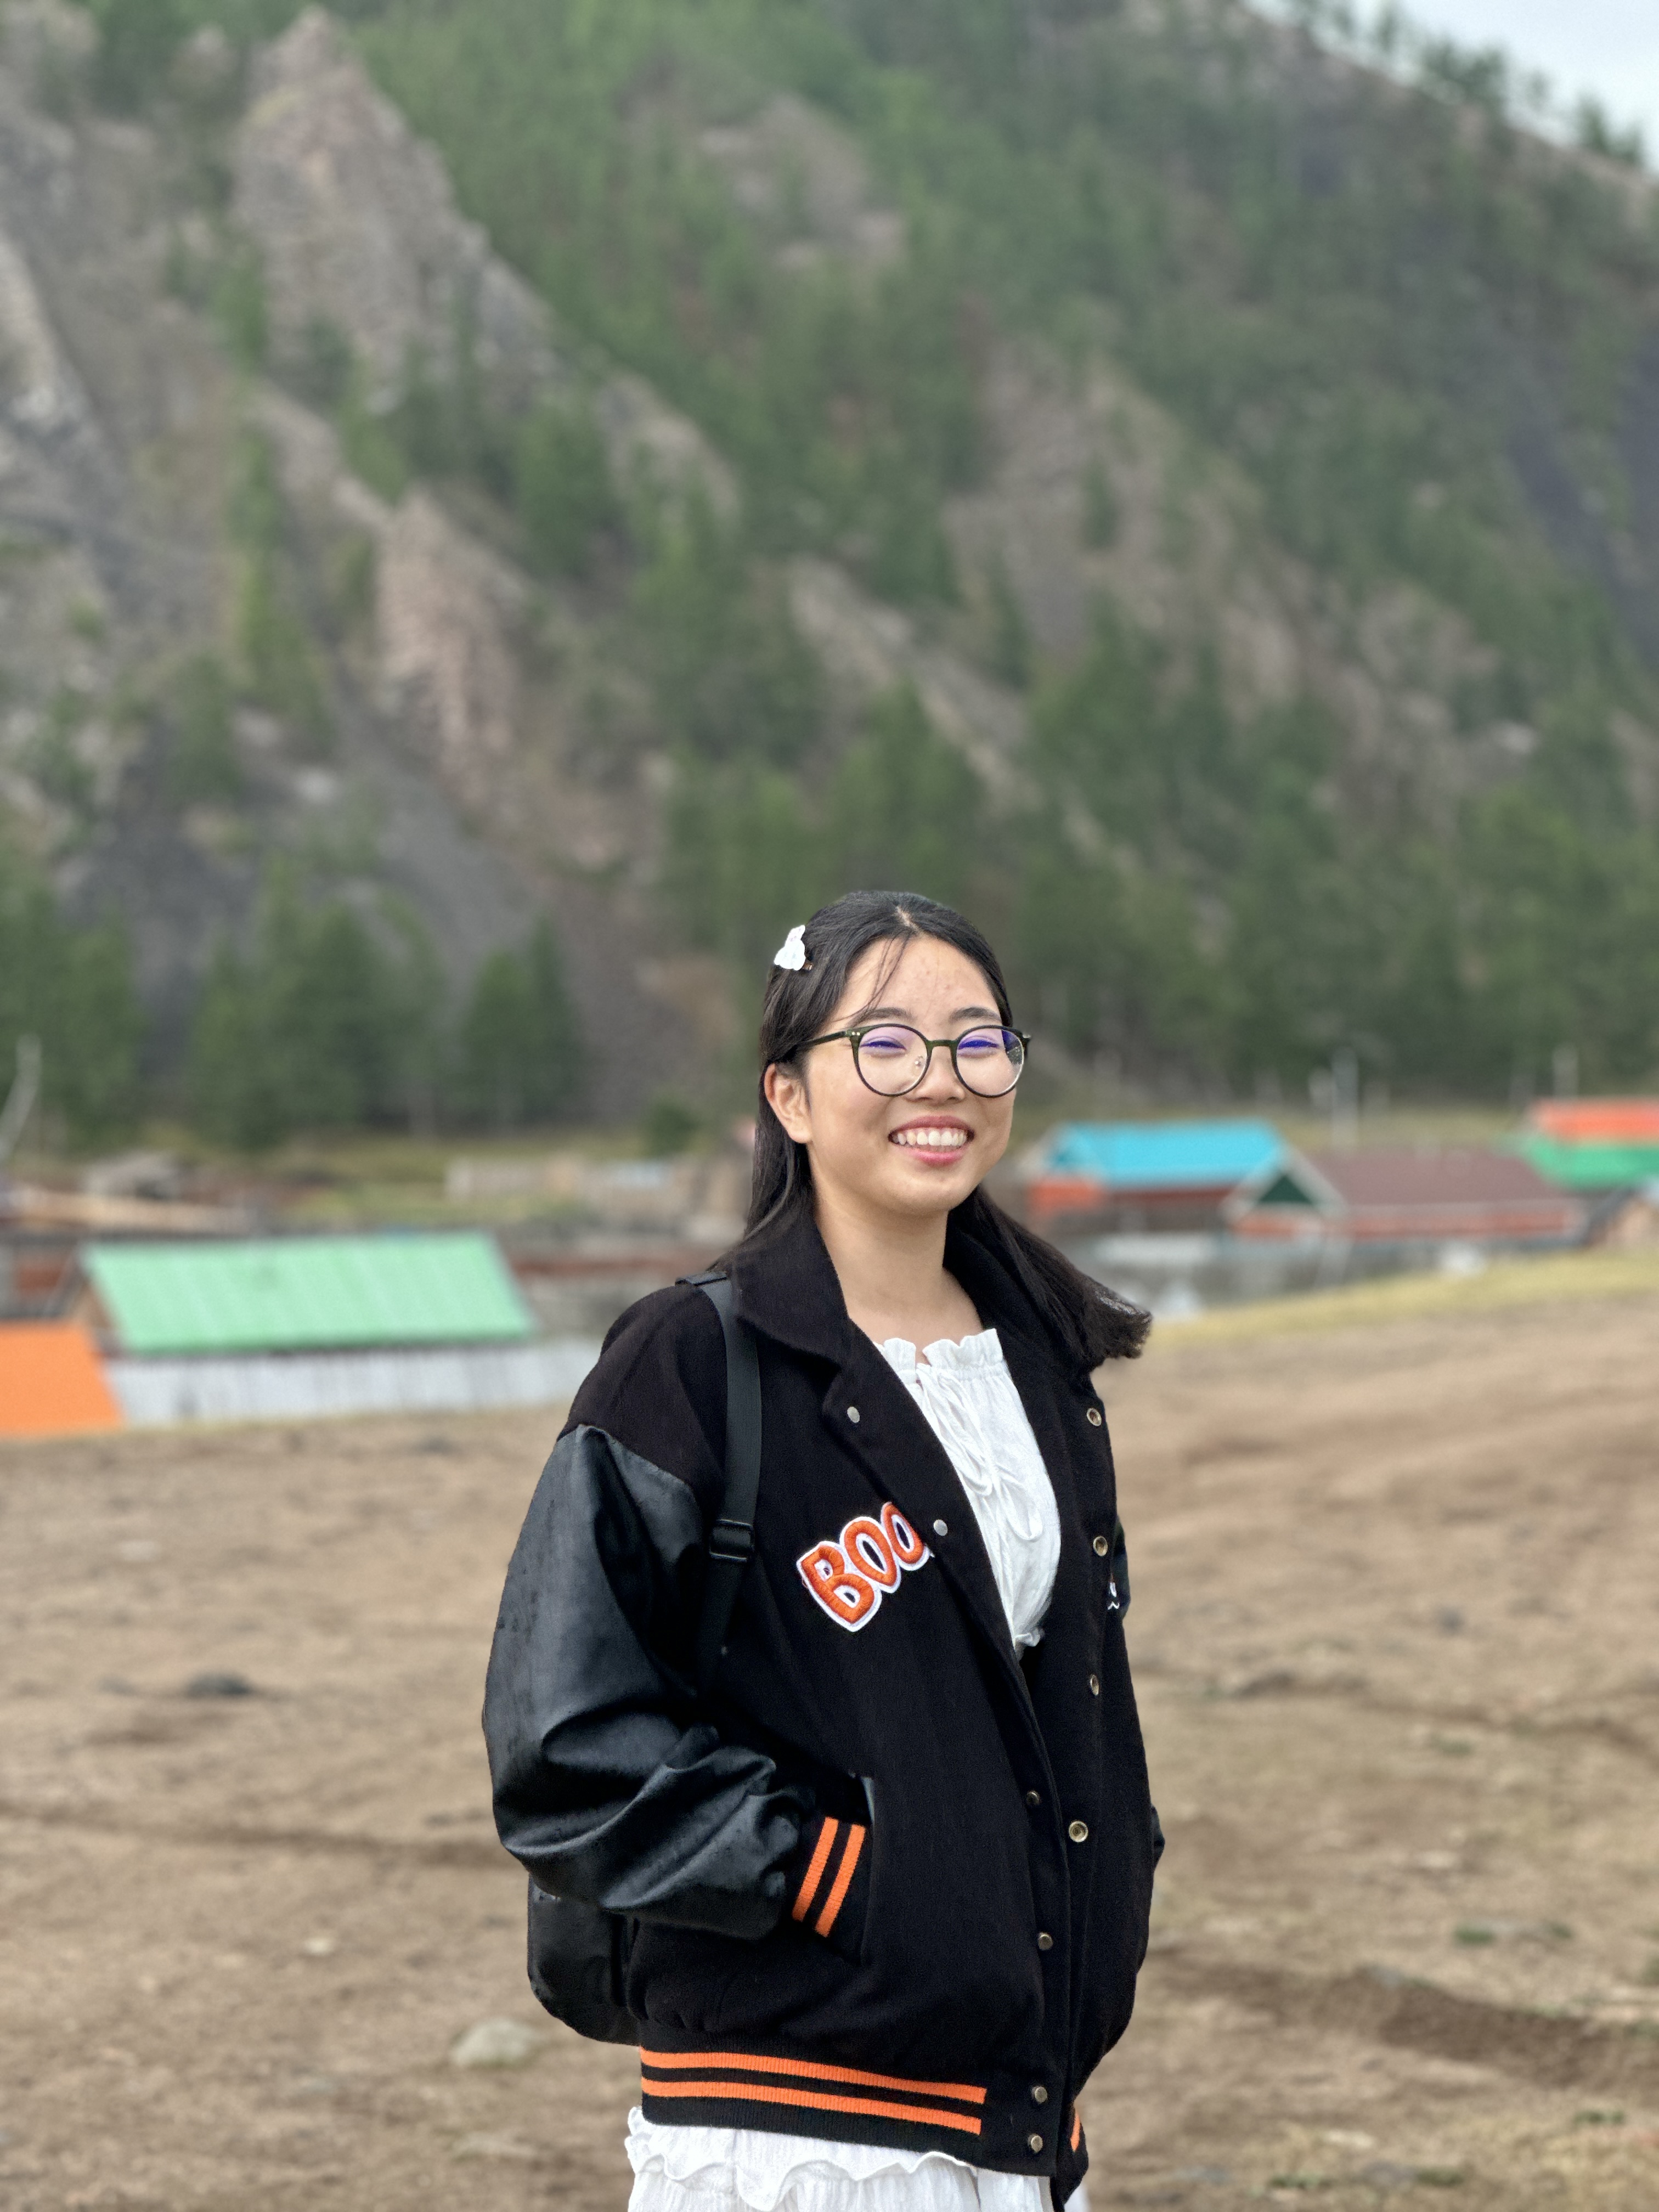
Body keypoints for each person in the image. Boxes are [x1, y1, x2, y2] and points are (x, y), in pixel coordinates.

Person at [484, 889, 1160, 2212]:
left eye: (978, 1042)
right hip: (795, 2137)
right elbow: (562, 1746)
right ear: (788, 1095)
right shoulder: (689, 1364)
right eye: (887, 1043)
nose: (942, 1081)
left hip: (1024, 2125)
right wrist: (838, 1875)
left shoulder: (1041, 1364)